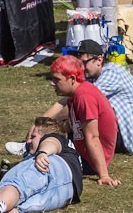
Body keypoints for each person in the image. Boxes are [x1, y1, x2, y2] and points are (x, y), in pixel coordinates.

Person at [11, 40, 133, 156]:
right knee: (76, 114)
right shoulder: (94, 75)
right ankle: (37, 141)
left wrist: (42, 125)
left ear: (99, 60)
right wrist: (41, 122)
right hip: (120, 131)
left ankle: (36, 143)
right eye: (79, 63)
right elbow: (65, 101)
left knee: (79, 113)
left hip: (129, 137)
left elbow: (74, 104)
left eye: (84, 63)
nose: (81, 67)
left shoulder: (112, 74)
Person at [48, 54, 121, 186]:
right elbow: (71, 125)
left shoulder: (84, 97)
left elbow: (92, 136)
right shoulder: (76, 93)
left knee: (46, 160)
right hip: (81, 148)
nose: (52, 83)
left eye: (56, 79)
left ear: (72, 79)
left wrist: (104, 175)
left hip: (89, 160)